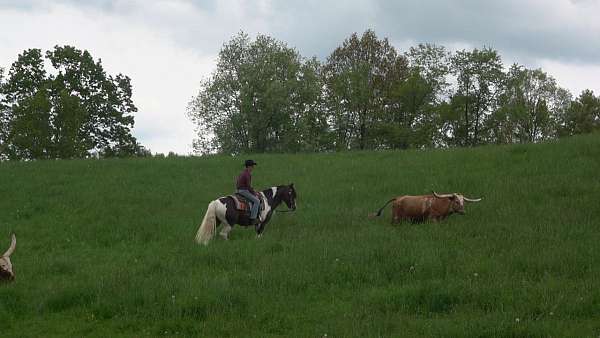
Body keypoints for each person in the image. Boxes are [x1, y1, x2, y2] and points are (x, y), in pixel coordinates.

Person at [236, 159, 260, 224]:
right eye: (252, 166)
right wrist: (254, 193)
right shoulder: (247, 174)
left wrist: (253, 190)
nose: (253, 168)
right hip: (244, 191)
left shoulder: (242, 173)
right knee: (257, 201)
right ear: (249, 166)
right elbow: (248, 186)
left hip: (238, 190)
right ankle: (253, 218)